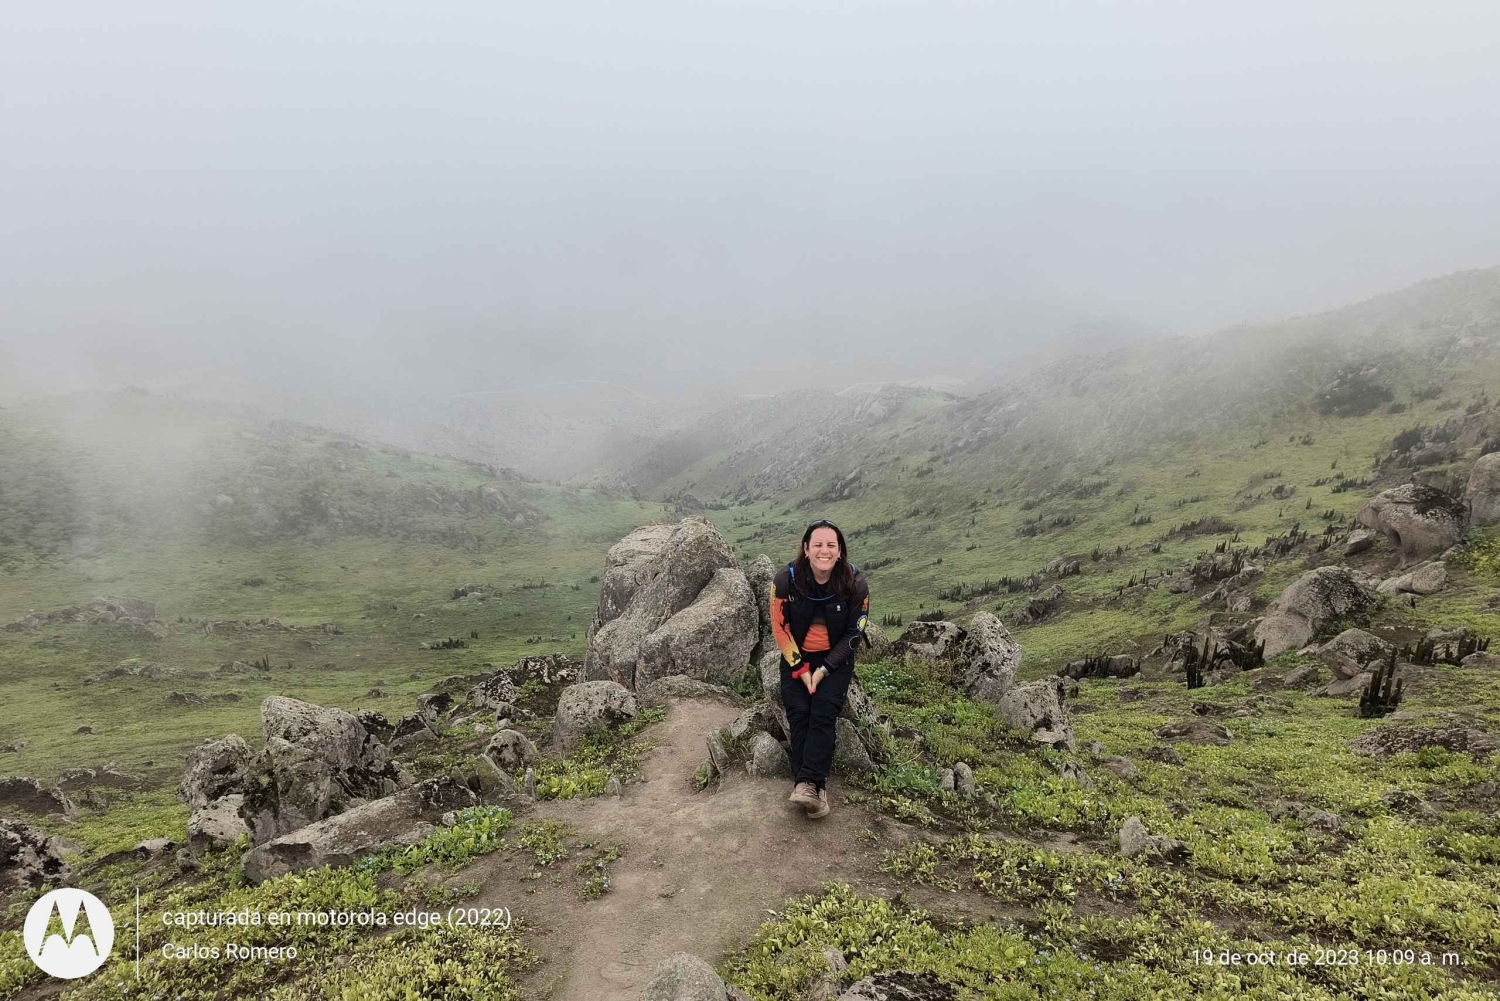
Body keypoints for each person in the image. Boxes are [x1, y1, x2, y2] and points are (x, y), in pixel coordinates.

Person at [768, 519, 869, 819]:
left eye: (831, 545)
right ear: (806, 549)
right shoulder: (785, 580)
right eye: (818, 544)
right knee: (799, 715)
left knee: (823, 714)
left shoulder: (855, 583)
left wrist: (823, 670)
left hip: (835, 661)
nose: (824, 550)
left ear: (839, 551)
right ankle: (814, 789)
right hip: (796, 658)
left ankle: (808, 785)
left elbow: (854, 634)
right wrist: (800, 668)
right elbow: (780, 628)